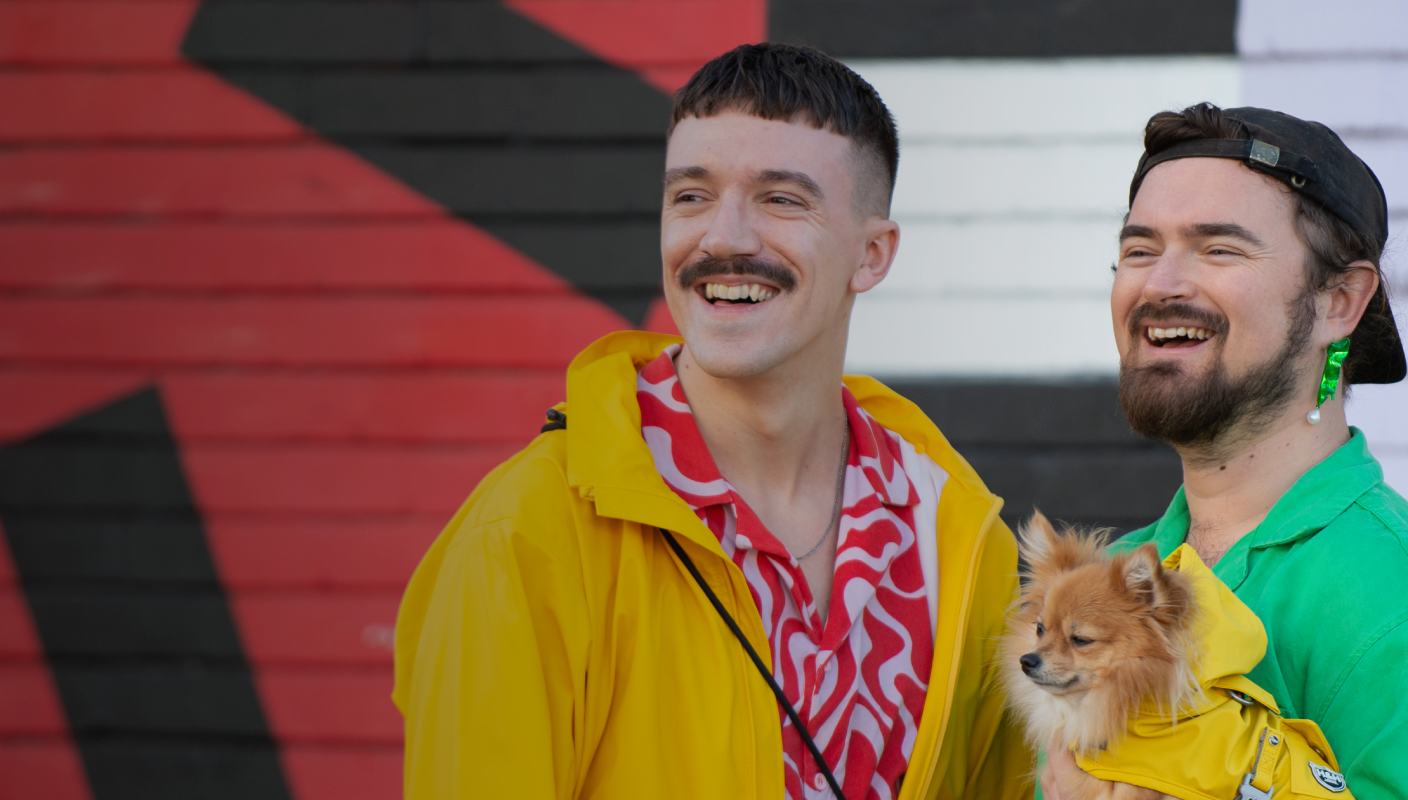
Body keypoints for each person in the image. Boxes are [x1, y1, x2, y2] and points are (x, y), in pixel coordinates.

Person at [392, 42, 1032, 799]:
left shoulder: (957, 540)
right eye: (691, 196)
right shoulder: (526, 535)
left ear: (872, 255)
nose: (722, 238)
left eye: (781, 199)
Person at [1053, 102, 1408, 795]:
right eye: (1139, 250)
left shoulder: (1384, 588)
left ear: (1340, 301)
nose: (1159, 284)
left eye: (1219, 248)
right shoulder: (1113, 577)